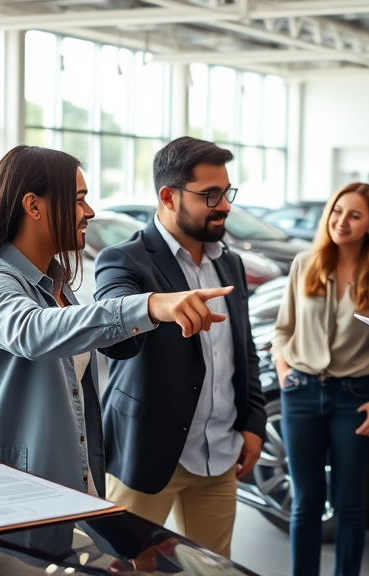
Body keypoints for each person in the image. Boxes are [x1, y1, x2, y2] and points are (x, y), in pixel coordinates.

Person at [0, 145, 228, 497]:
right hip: (7, 494)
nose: (89, 212)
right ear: (33, 206)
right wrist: (150, 305)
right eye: (78, 200)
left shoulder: (57, 285)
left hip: (72, 488)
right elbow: (31, 331)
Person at [95, 136, 266, 559]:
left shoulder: (230, 262)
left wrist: (254, 421)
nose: (225, 205)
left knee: (213, 569)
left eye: (226, 193)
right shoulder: (124, 260)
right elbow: (111, 330)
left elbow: (244, 351)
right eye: (210, 195)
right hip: (150, 453)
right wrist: (155, 306)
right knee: (126, 565)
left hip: (220, 453)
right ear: (168, 197)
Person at [271, 183, 369, 576]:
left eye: (354, 215)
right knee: (306, 500)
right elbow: (282, 330)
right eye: (337, 211)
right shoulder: (304, 263)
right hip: (302, 393)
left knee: (350, 502)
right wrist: (285, 375)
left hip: (355, 397)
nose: (341, 221)